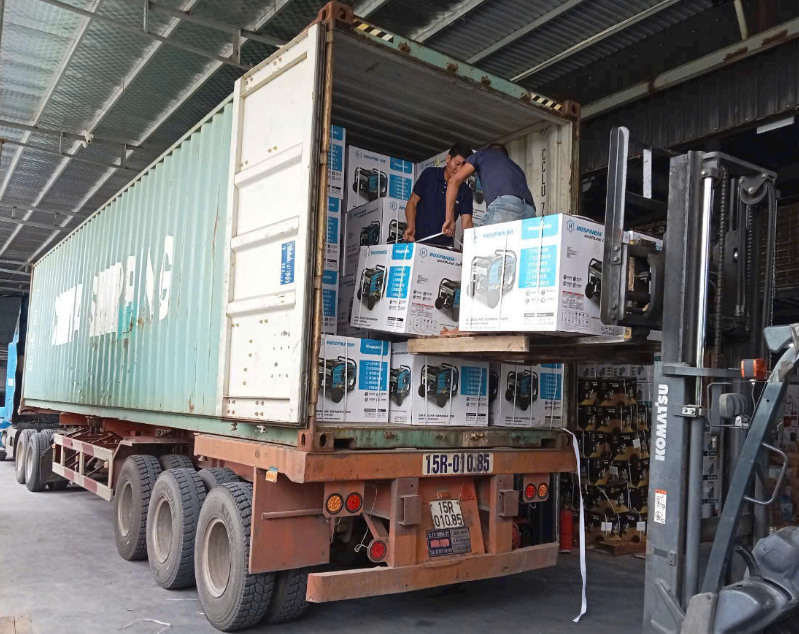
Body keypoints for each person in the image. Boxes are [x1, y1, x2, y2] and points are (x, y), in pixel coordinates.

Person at [443, 143, 535, 237]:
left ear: (489, 151)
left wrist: (450, 219)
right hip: (530, 211)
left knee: (481, 244)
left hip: (506, 205)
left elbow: (453, 182)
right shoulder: (516, 167)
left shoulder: (481, 154)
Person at [403, 142, 474, 247]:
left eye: (464, 167)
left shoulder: (466, 191)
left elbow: (467, 223)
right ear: (448, 158)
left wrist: (472, 246)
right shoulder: (429, 174)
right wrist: (411, 226)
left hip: (444, 249)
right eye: (457, 163)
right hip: (418, 243)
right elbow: (412, 202)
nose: (459, 170)